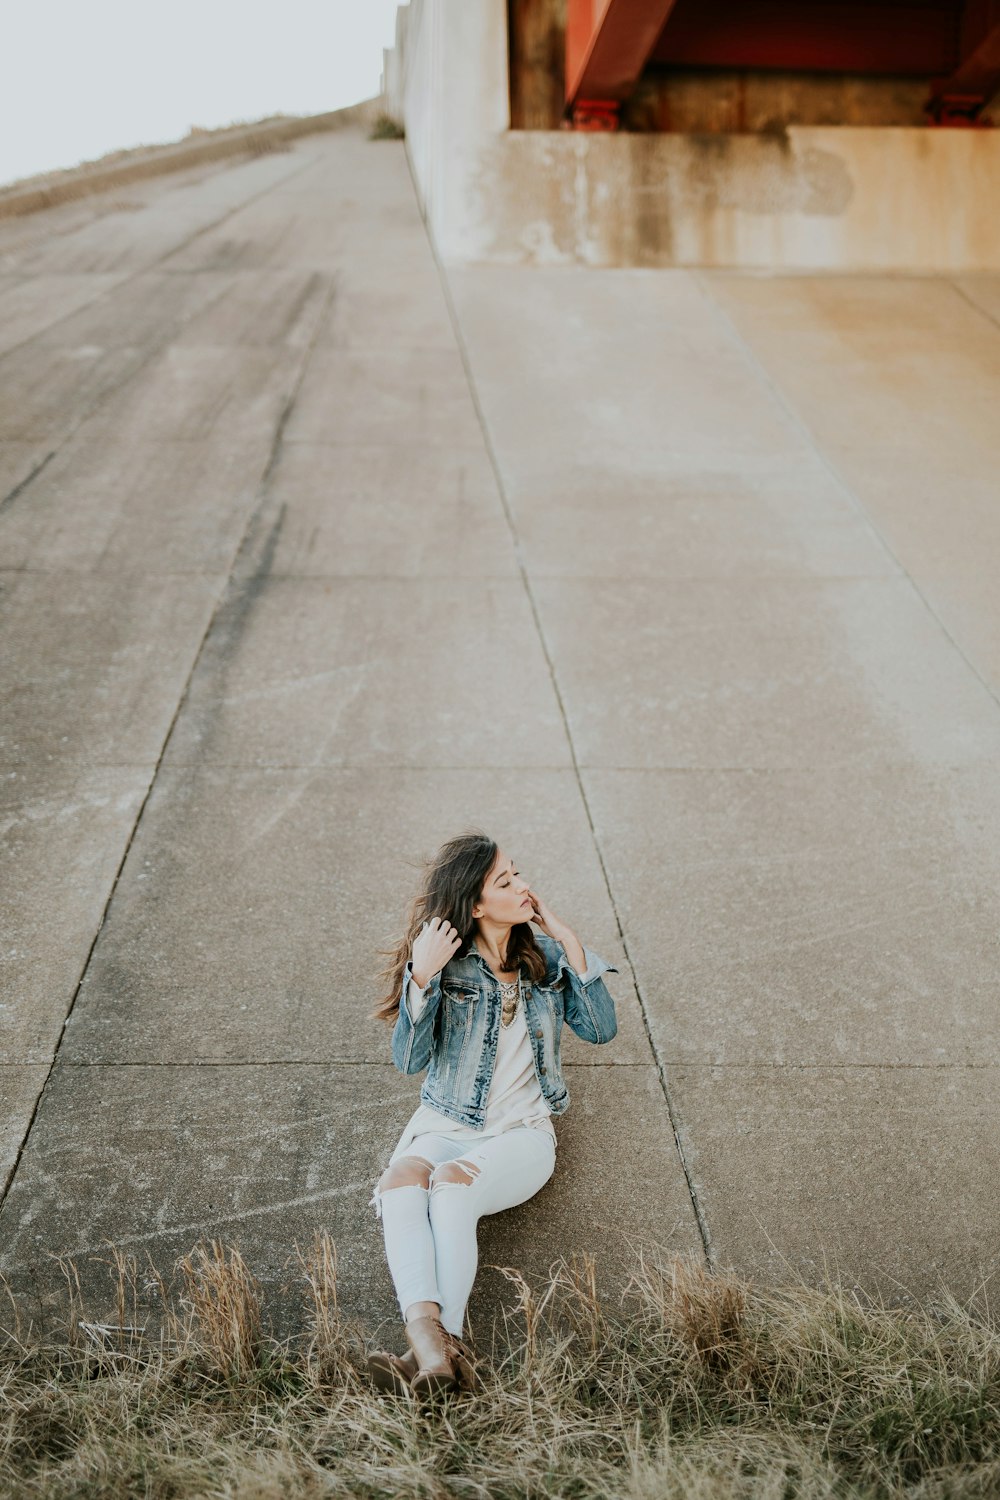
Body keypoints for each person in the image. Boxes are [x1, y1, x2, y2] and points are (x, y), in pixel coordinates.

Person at [367, 829, 619, 1399]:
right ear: (475, 904)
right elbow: (410, 1061)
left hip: (520, 1133)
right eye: (506, 881)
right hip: (444, 1122)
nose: (524, 886)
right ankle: (439, 1354)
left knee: (451, 1187)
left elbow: (601, 1031)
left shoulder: (545, 960)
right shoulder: (444, 967)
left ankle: (427, 1353)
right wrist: (422, 977)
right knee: (402, 1180)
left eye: (518, 873)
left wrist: (570, 942)